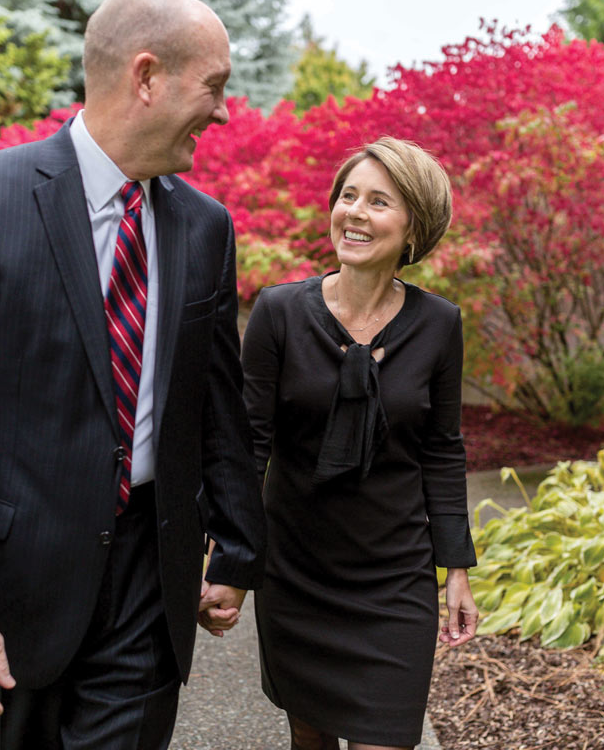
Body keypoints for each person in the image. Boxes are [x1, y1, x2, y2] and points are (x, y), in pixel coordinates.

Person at [0, 0, 266, 748]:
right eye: (214, 87)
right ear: (147, 76)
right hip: (14, 592)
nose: (224, 112)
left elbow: (216, 401)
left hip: (147, 581)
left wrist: (235, 550)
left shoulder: (205, 227)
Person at [241, 137, 480, 750]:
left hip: (394, 576)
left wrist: (457, 569)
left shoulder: (438, 325)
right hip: (296, 570)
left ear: (413, 228)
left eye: (378, 201)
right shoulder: (278, 314)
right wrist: (229, 565)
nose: (355, 212)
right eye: (348, 196)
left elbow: (442, 449)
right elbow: (248, 448)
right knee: (309, 738)